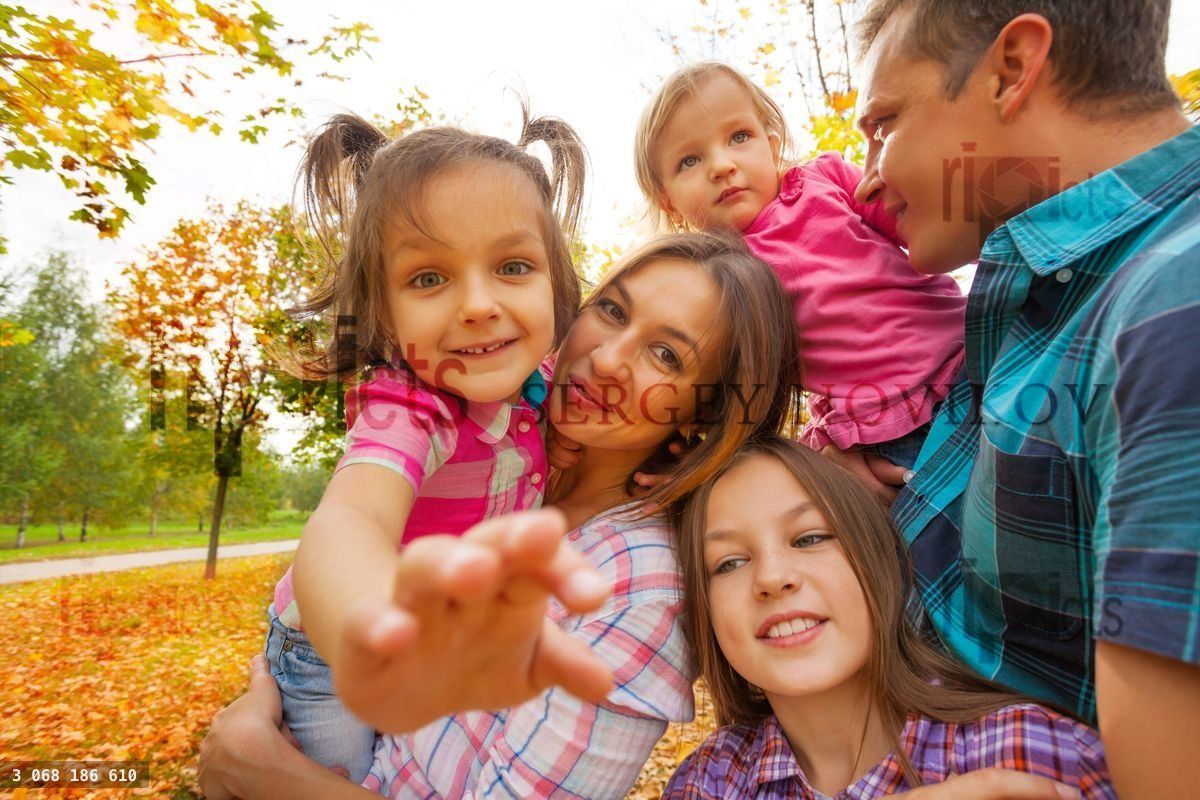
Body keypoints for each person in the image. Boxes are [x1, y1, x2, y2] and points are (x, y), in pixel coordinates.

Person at [198, 232, 803, 799]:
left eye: (667, 355)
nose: (609, 358)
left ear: (704, 415)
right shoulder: (499, 442)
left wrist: (271, 774)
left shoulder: (640, 589)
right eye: (613, 311)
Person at [851, 1, 1200, 796]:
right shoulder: (1059, 287)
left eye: (884, 123)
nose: (868, 175)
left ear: (1011, 71)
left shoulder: (1175, 305)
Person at [261, 109, 595, 782]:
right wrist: (370, 618)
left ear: (557, 285)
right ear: (383, 311)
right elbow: (353, 515)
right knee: (337, 784)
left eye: (512, 266)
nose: (477, 303)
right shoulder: (414, 407)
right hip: (331, 656)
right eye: (428, 279)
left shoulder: (547, 389)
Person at [666, 436, 1113, 799]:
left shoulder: (1029, 753)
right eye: (727, 563)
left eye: (809, 538)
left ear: (877, 560)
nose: (772, 576)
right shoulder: (708, 782)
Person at [635, 61, 966, 480]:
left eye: (739, 137)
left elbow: (923, 224)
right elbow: (723, 383)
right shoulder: (719, 280)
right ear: (670, 204)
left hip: (965, 351)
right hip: (882, 425)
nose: (721, 165)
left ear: (772, 148)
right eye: (689, 161)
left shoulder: (825, 179)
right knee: (950, 523)